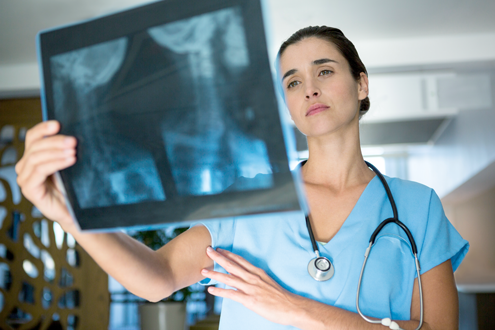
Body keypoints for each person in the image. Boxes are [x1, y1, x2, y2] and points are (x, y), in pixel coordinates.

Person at [16, 26, 468, 329]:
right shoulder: (250, 198)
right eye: (292, 82)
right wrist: (69, 214)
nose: (309, 88)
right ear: (286, 104)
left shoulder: (417, 206)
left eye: (325, 72)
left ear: (361, 84)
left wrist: (293, 308)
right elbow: (155, 278)